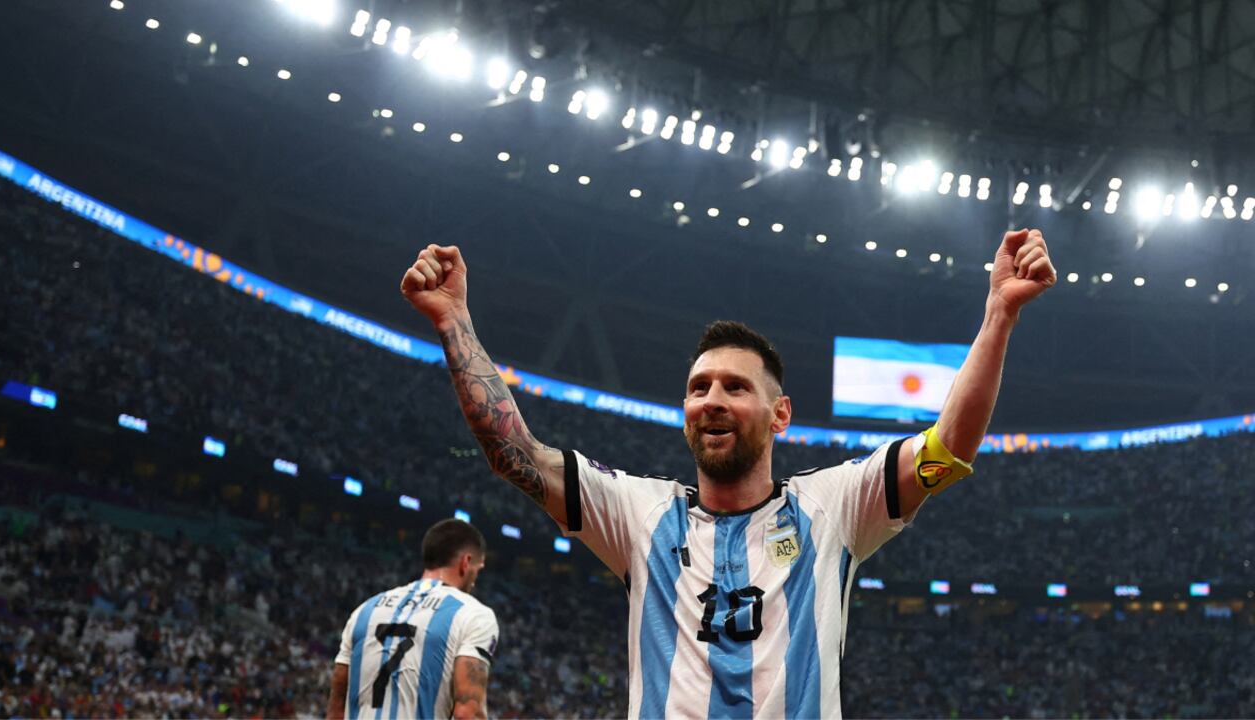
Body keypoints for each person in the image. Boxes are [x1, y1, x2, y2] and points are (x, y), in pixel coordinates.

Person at [401, 229, 1056, 718]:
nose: (711, 398)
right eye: (698, 387)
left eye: (735, 387)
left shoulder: (833, 508)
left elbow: (947, 447)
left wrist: (1000, 314)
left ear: (780, 416)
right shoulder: (639, 514)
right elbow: (514, 453)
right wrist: (454, 321)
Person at [328, 519, 498, 720]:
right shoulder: (474, 614)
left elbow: (336, 707)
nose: (475, 580)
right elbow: (468, 713)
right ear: (465, 562)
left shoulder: (364, 610)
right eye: (477, 570)